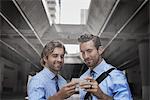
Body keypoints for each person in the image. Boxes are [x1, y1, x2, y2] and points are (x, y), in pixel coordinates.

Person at [78, 34, 133, 100]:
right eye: (82, 52)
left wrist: (102, 95)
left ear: (100, 50)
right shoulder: (83, 77)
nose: (86, 56)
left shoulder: (116, 75)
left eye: (89, 51)